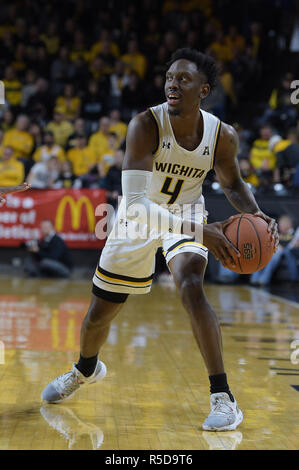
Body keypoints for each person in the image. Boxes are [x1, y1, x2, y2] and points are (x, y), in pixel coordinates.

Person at [42, 48, 278, 432]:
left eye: (183, 79)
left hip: (186, 211)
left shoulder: (222, 136)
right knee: (99, 314)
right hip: (142, 214)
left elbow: (233, 183)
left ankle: (223, 397)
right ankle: (85, 369)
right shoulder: (145, 125)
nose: (173, 83)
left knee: (191, 286)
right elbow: (134, 207)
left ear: (203, 90)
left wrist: (256, 215)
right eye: (169, 77)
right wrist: (203, 231)